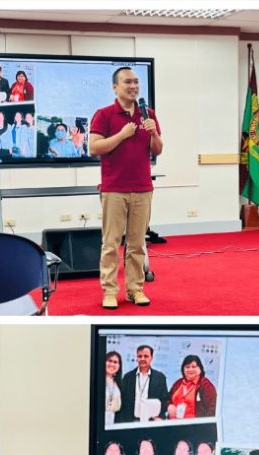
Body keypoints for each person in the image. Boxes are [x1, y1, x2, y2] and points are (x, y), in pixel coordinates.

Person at [90, 67, 163, 309]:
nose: (133, 86)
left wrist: (153, 133)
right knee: (111, 243)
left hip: (143, 187)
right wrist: (122, 135)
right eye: (127, 82)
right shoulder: (104, 114)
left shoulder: (147, 114)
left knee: (137, 244)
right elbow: (94, 147)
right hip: (114, 188)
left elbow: (157, 149)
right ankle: (109, 291)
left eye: (136, 82)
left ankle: (135, 289)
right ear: (115, 87)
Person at [118, 345, 169, 423]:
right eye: (140, 356)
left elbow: (164, 400)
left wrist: (159, 417)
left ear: (151, 358)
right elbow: (122, 401)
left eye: (146, 356)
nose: (142, 359)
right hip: (131, 421)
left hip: (151, 422)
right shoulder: (128, 377)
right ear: (136, 358)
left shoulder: (160, 378)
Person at [167, 355, 218, 419]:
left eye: (194, 367)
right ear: (183, 369)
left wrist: (204, 426)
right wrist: (169, 406)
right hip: (173, 424)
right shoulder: (178, 383)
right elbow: (167, 398)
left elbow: (212, 408)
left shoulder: (205, 385)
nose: (190, 369)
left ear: (200, 369)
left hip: (194, 426)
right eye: (187, 367)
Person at [104, 351, 123, 425]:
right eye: (109, 361)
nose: (112, 364)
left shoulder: (119, 383)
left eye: (115, 362)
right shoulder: (96, 380)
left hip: (113, 421)